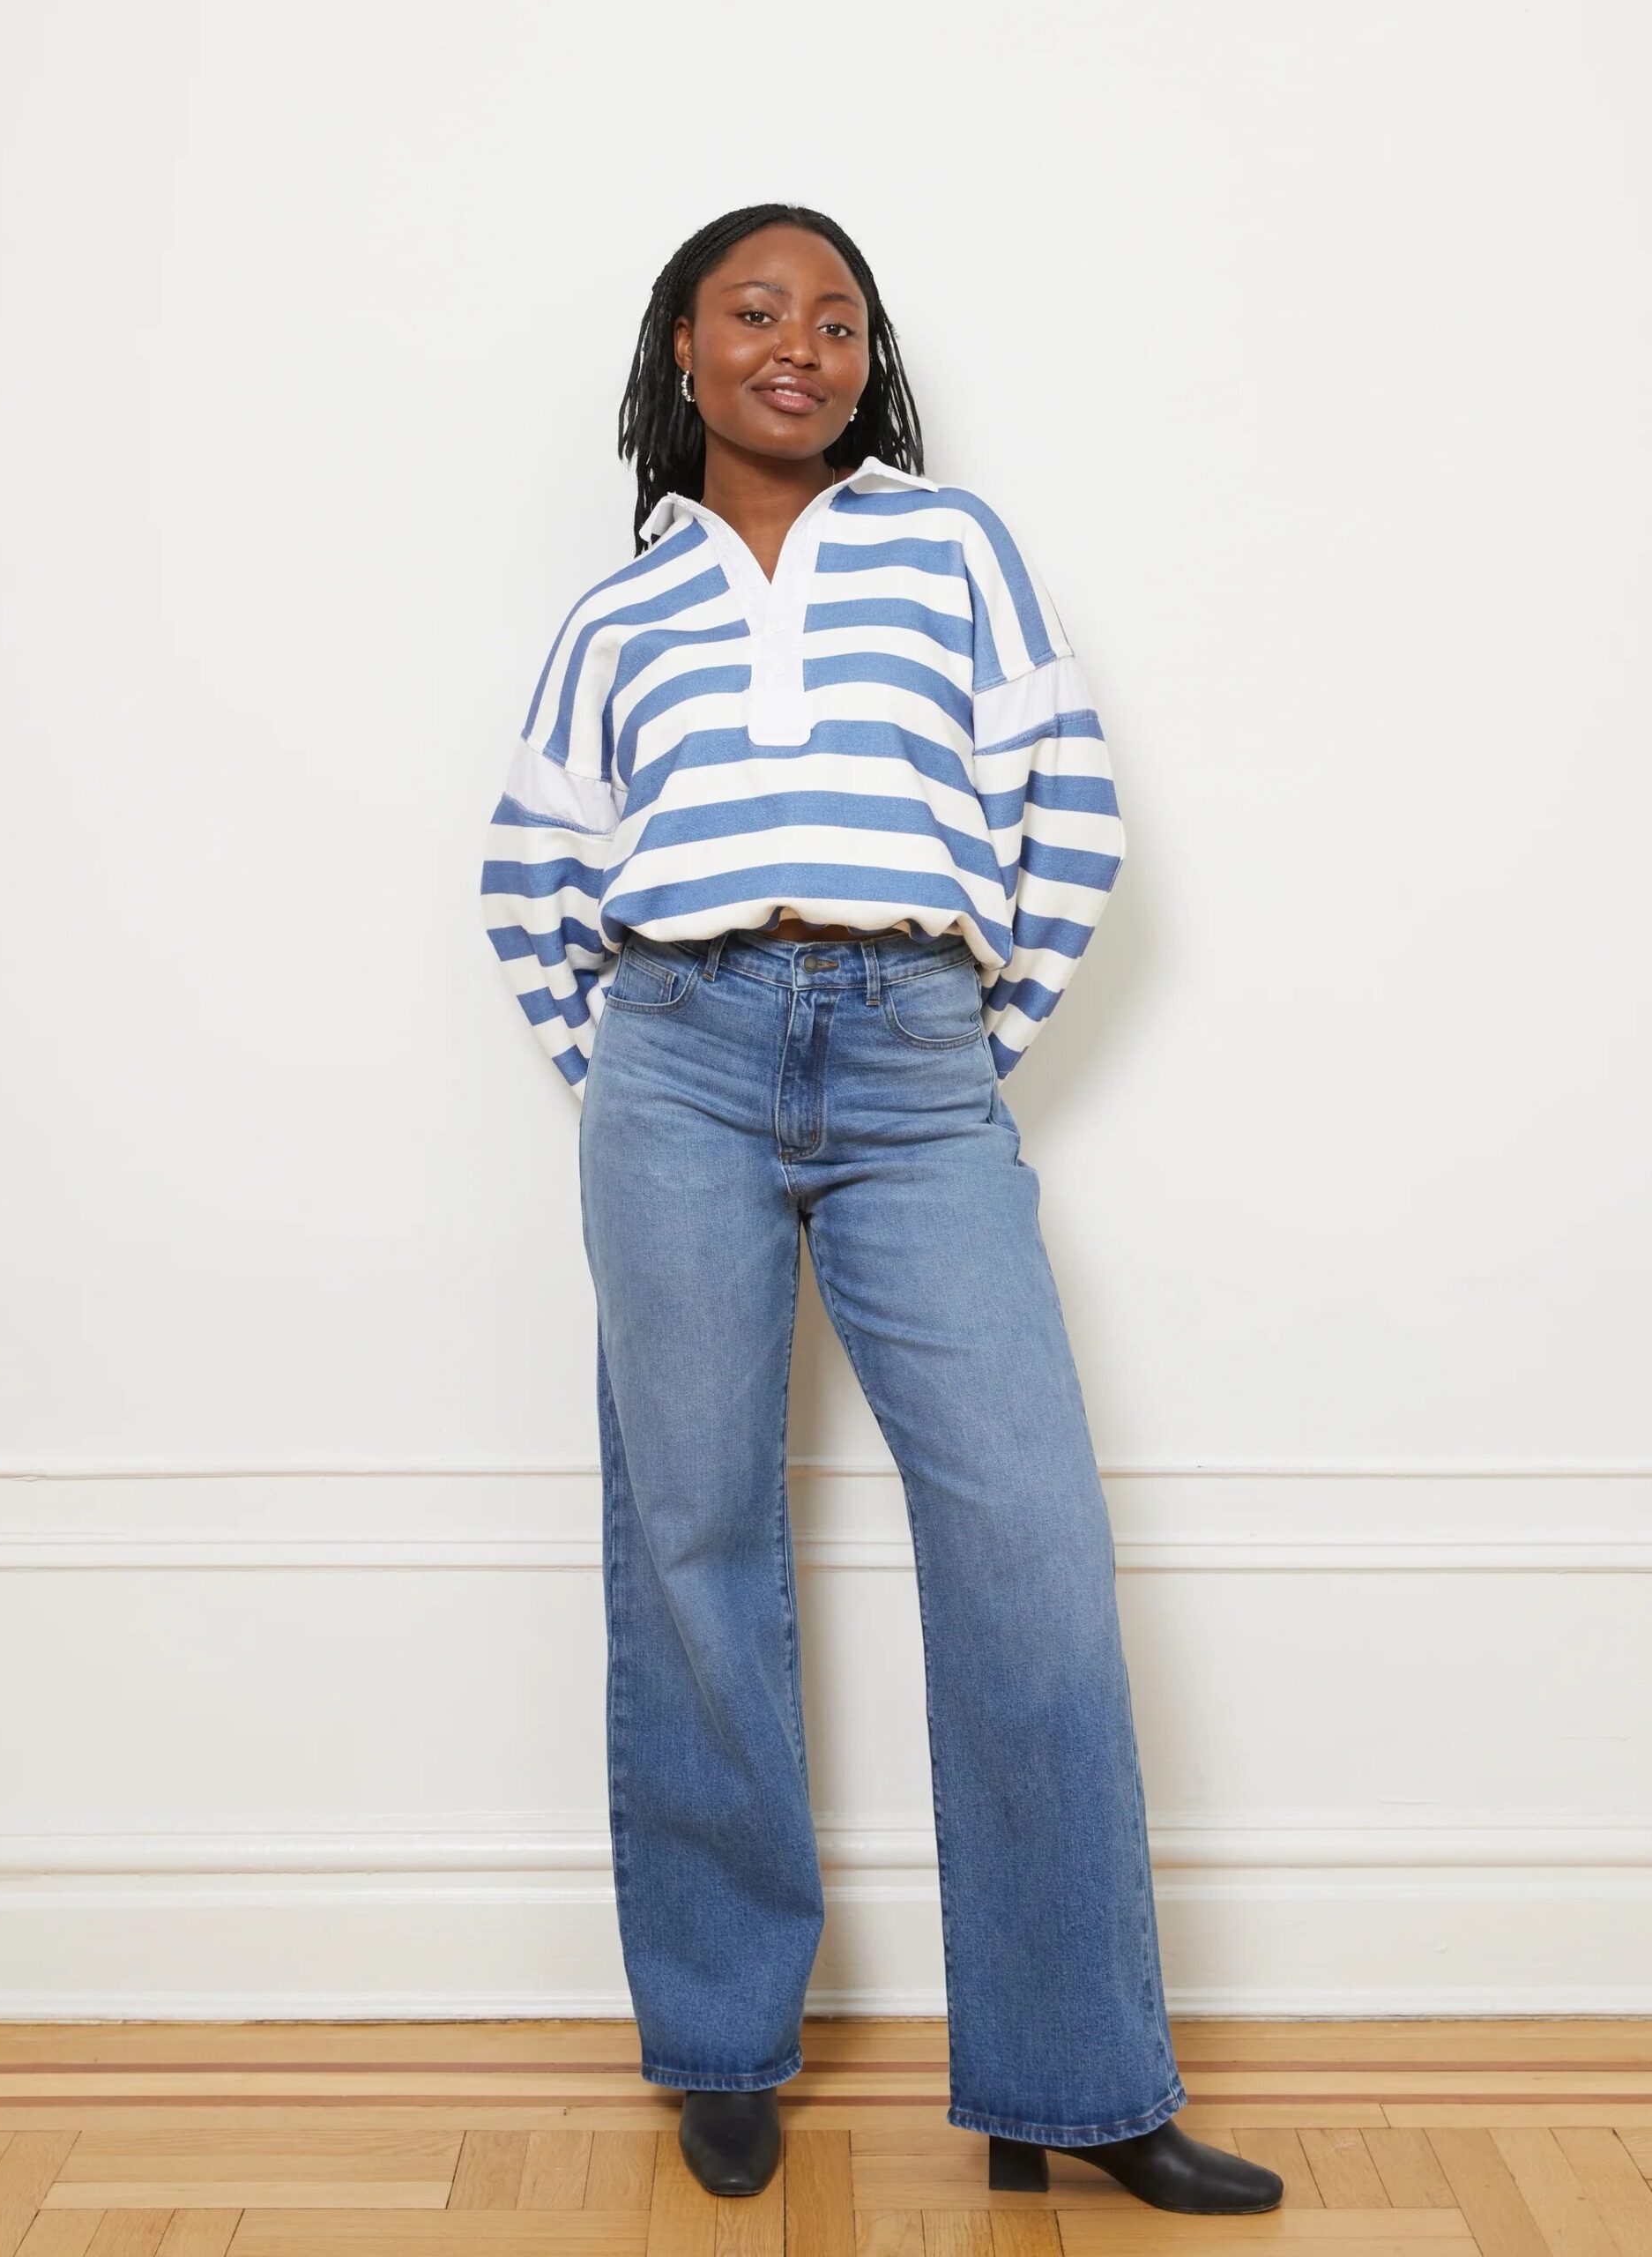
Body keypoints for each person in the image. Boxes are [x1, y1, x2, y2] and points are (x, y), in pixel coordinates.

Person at [479, 202, 1283, 2217]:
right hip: (671, 1055)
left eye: (836, 320)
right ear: (683, 349)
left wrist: (957, 1026)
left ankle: (1077, 2073)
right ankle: (723, 2037)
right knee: (692, 1540)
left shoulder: (953, 549)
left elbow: (1068, 799)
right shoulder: (614, 614)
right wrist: (626, 1080)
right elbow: (529, 872)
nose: (800, 346)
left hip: (916, 1062)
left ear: (866, 361)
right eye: (755, 311)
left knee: (1027, 1541)